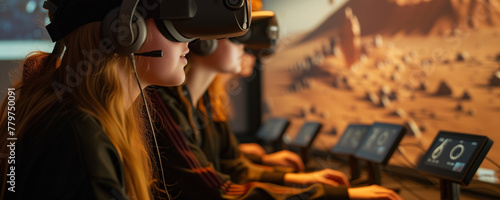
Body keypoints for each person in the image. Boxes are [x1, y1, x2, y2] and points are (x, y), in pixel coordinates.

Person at [0, 0, 250, 200]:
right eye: (173, 18)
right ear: (125, 30)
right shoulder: (80, 143)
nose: (190, 39)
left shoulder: (84, 119)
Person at [149, 31, 403, 199]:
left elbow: (234, 169)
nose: (249, 48)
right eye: (239, 36)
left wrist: (306, 181)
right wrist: (331, 194)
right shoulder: (167, 106)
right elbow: (221, 191)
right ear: (206, 40)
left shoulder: (203, 101)